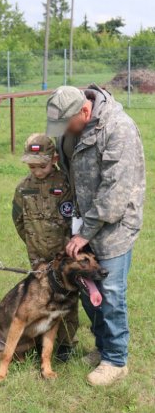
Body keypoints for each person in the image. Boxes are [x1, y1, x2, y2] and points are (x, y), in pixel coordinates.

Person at [46, 84, 145, 386]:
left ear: (84, 111)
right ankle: (103, 347)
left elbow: (115, 194)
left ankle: (116, 360)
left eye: (66, 125)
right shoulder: (70, 129)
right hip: (83, 226)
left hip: (114, 226)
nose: (62, 131)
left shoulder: (118, 129)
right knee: (90, 291)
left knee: (110, 292)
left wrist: (83, 233)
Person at [12, 133, 78, 362]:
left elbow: (74, 220)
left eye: (41, 165)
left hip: (64, 256)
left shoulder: (66, 184)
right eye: (31, 166)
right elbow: (19, 220)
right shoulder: (23, 188)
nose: (36, 170)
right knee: (39, 298)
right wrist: (33, 243)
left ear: (54, 158)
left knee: (67, 298)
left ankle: (65, 343)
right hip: (37, 255)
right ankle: (40, 339)